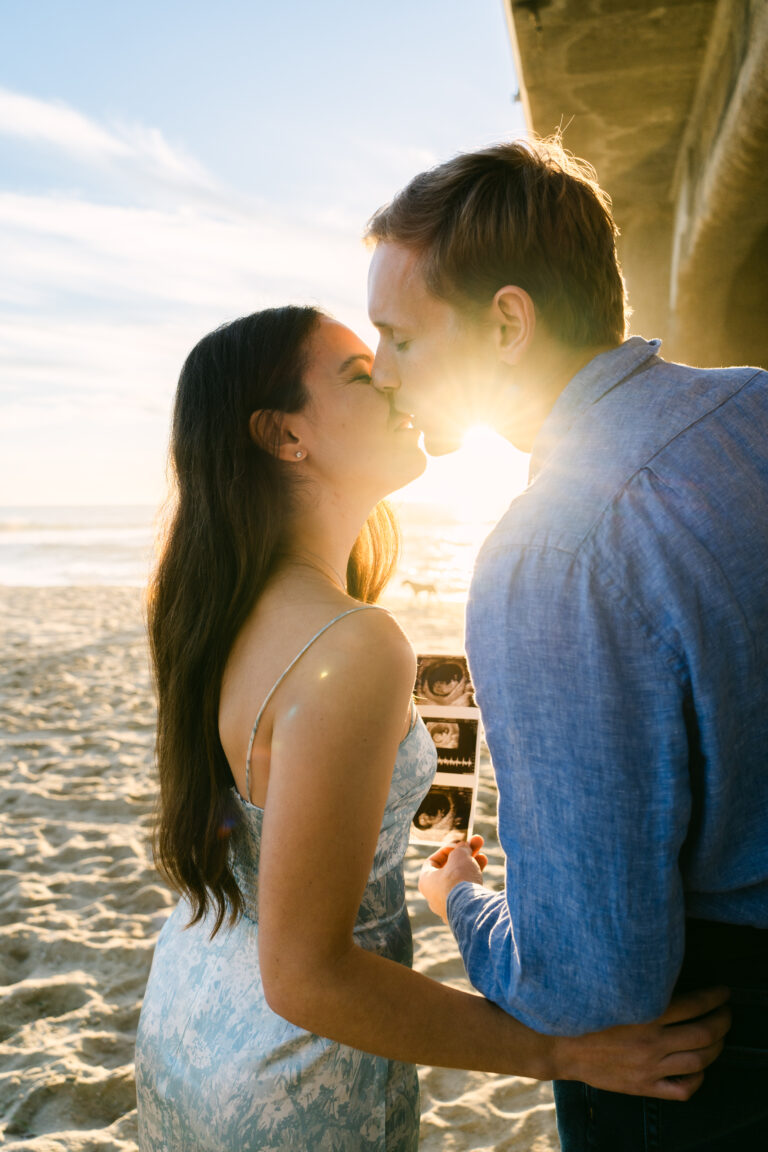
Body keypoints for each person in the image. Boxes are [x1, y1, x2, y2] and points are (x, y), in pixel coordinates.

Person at [134, 305, 729, 1151]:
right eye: (356, 375)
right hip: (298, 1074)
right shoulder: (352, 643)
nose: (391, 380)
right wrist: (564, 1052)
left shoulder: (214, 613)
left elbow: (271, 849)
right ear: (283, 436)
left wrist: (424, 877)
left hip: (188, 1024)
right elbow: (306, 978)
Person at [365, 137, 768, 1151]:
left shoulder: (550, 550)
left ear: (508, 322)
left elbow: (596, 982)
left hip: (715, 1049)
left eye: (402, 338)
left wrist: (463, 902)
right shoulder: (757, 403)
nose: (379, 371)